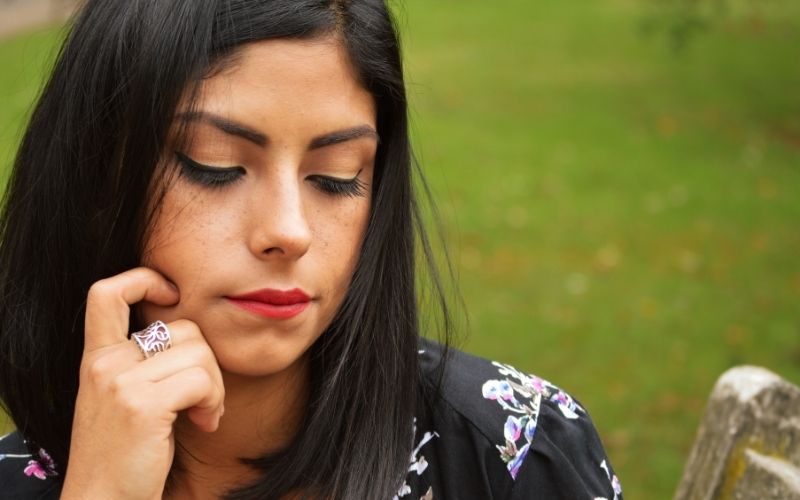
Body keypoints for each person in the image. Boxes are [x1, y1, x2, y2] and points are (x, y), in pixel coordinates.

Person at [0, 1, 623, 499]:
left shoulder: (510, 448)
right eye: (215, 167)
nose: (289, 230)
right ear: (96, 182)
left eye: (336, 176)